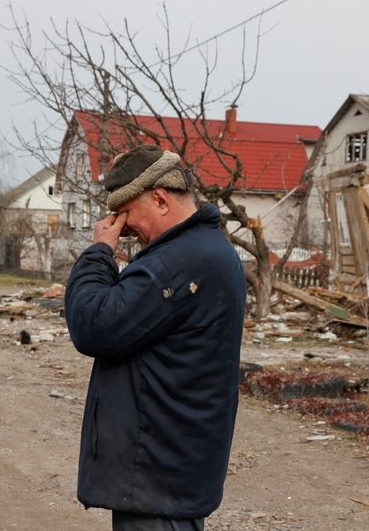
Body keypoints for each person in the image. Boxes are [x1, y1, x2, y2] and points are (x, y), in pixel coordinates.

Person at [64, 144, 247, 531]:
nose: (122, 226)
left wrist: (99, 253)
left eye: (126, 213)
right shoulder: (206, 251)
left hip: (158, 475)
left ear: (161, 199)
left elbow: (92, 325)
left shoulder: (177, 262)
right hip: (171, 467)